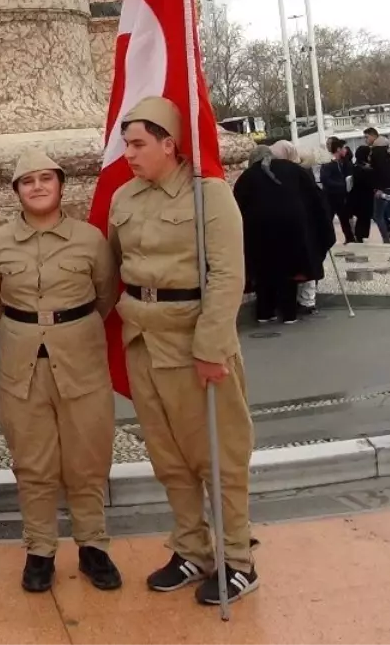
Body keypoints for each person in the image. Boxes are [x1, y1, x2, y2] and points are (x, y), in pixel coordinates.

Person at [107, 97, 258, 605]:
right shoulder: (123, 198)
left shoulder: (208, 195)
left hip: (193, 345)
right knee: (168, 459)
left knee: (218, 456)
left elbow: (227, 275)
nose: (128, 153)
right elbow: (113, 270)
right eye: (126, 144)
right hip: (142, 343)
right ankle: (193, 549)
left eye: (138, 144)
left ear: (168, 144)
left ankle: (238, 559)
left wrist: (212, 346)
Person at [0, 150, 120, 594]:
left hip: (82, 361)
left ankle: (93, 546)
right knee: (33, 462)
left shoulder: (90, 239)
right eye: (27, 181)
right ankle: (40, 550)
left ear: (61, 185)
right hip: (23, 366)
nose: (38, 186)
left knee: (88, 459)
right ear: (17, 191)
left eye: (46, 178)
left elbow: (106, 294)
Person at [235, 144, 336, 325]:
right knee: (289, 270)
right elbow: (316, 198)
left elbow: (237, 206)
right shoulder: (293, 169)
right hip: (293, 229)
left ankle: (265, 313)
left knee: (263, 270)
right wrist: (320, 227)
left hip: (258, 231)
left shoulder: (248, 176)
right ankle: (289, 314)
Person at [320, 139, 356, 244]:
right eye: (343, 148)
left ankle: (350, 238)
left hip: (340, 196)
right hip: (330, 196)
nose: (345, 150)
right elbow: (325, 180)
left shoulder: (341, 162)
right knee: (328, 219)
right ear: (338, 149)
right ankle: (326, 240)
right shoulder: (328, 163)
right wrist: (342, 185)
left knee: (343, 218)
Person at [348, 146, 376, 243]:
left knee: (362, 217)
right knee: (364, 217)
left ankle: (359, 235)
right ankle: (360, 235)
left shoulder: (355, 166)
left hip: (357, 196)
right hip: (364, 197)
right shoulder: (364, 168)